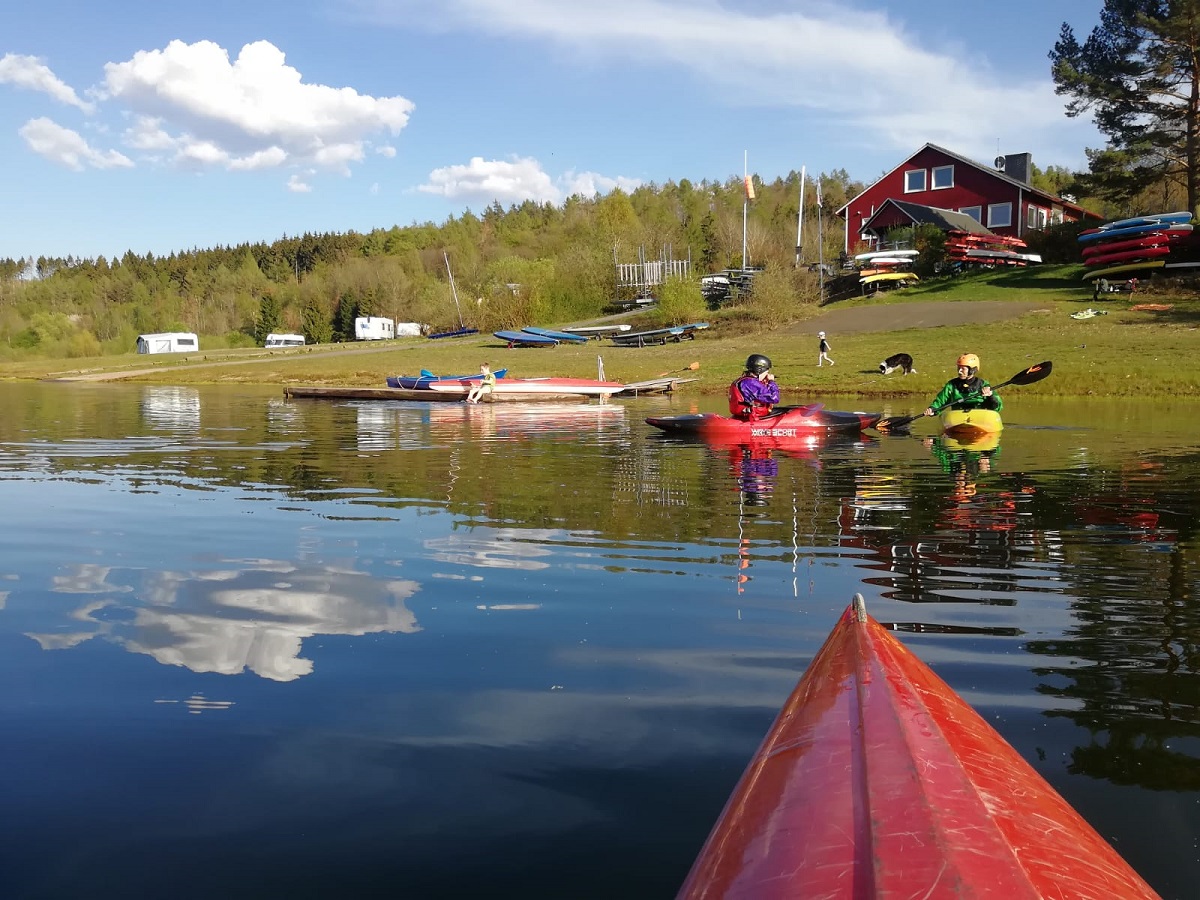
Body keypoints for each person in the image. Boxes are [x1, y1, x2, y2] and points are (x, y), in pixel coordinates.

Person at [923, 353, 1003, 418]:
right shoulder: (952, 385)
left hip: (979, 418)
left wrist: (991, 396)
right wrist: (932, 410)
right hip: (958, 418)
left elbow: (997, 407)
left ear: (972, 370)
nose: (960, 371)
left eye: (963, 369)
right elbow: (940, 401)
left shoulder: (983, 384)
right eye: (959, 368)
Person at [729, 353, 780, 420]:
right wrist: (771, 382)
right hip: (752, 414)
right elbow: (774, 398)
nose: (767, 375)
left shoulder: (745, 381)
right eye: (766, 372)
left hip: (743, 413)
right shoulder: (751, 383)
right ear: (759, 370)